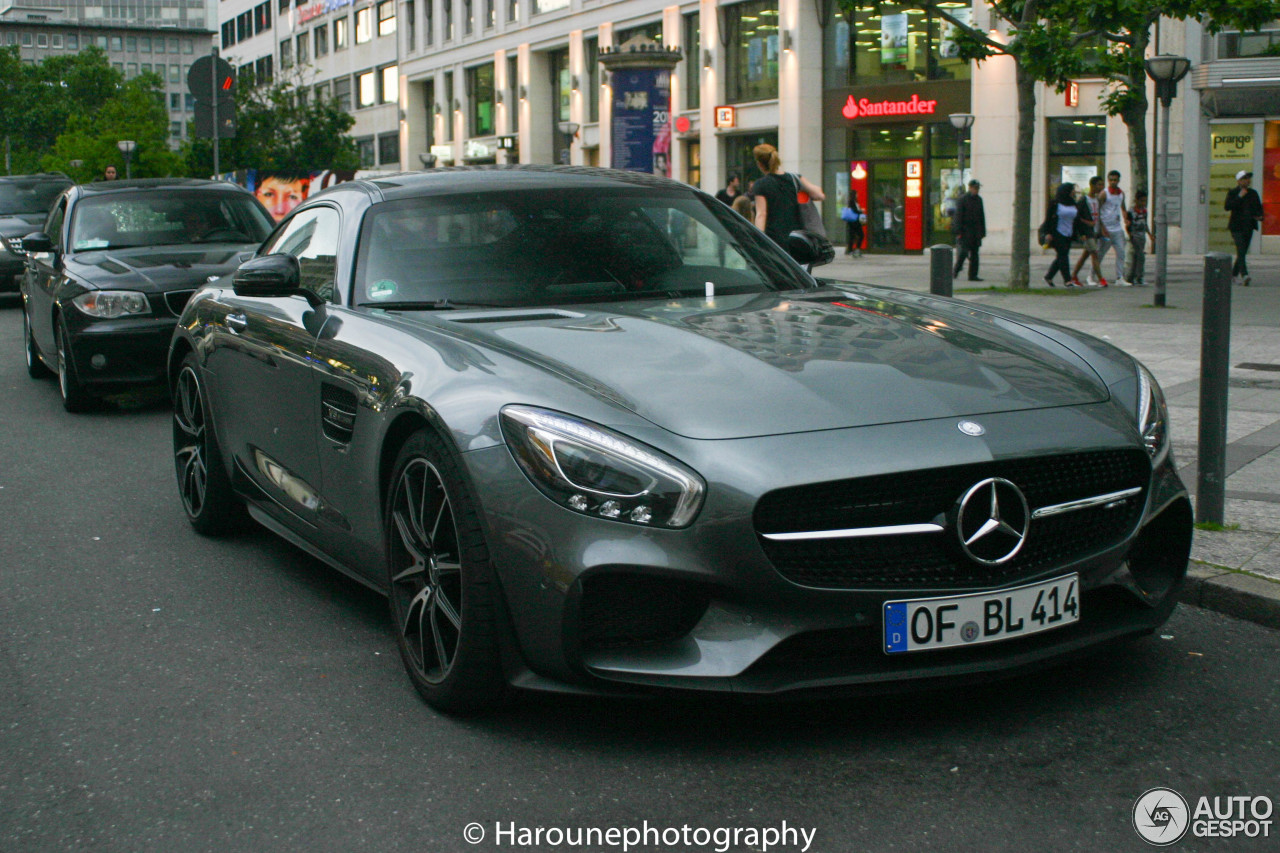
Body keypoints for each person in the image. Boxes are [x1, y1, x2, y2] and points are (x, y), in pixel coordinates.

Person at [749, 143, 824, 248]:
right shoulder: (794, 178)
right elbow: (819, 195)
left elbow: (761, 214)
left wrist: (759, 240)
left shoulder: (761, 184)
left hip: (775, 240)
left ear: (759, 164)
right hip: (797, 238)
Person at [1039, 182, 1091, 287]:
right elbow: (1048, 219)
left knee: (1060, 257)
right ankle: (1067, 280)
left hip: (1069, 233)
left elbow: (1077, 220)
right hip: (1057, 233)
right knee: (1063, 256)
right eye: (1072, 190)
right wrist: (1048, 233)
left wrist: (1082, 233)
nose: (1073, 192)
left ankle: (1049, 276)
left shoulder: (1073, 203)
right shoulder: (1055, 203)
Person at [1225, 170, 1263, 286]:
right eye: (1245, 178)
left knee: (1242, 252)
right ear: (1239, 181)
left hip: (1249, 226)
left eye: (1248, 178)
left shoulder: (1253, 193)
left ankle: (1233, 275)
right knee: (1241, 249)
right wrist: (1239, 197)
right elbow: (1227, 207)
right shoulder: (1233, 192)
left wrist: (1260, 216)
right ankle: (1244, 274)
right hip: (1236, 227)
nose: (1247, 180)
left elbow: (1258, 207)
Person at [1069, 176, 1104, 286]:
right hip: (1087, 232)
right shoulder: (1084, 200)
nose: (1101, 187)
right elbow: (1076, 216)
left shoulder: (1098, 199)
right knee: (1094, 253)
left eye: (1102, 185)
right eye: (1099, 185)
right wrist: (1083, 229)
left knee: (1085, 255)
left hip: (1095, 231)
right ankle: (1101, 279)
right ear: (1092, 185)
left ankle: (1074, 275)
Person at [1096, 170, 1129, 285]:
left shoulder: (1121, 194)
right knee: (1101, 253)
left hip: (1117, 228)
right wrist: (1101, 227)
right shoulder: (1104, 194)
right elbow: (1097, 211)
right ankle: (1092, 275)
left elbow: (1123, 207)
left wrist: (1125, 218)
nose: (1113, 182)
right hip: (1106, 227)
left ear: (1119, 180)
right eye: (1111, 180)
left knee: (1121, 252)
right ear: (1108, 180)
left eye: (1115, 180)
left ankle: (1120, 277)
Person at [951, 179, 986, 281]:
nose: (976, 190)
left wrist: (982, 232)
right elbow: (958, 216)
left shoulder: (979, 200)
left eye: (977, 188)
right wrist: (958, 231)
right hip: (965, 231)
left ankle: (973, 275)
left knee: (975, 254)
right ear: (970, 188)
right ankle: (956, 269)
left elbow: (981, 217)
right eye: (975, 188)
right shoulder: (963, 200)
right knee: (964, 253)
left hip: (976, 232)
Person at [1125, 189, 1152, 287]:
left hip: (1142, 236)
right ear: (1136, 200)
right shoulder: (1131, 211)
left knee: (1137, 256)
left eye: (1145, 201)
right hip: (1135, 235)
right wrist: (1130, 235)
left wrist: (1149, 234)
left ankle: (1132, 277)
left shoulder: (1144, 211)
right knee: (1140, 256)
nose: (1143, 203)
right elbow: (1127, 225)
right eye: (1141, 201)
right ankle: (1138, 276)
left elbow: (1145, 223)